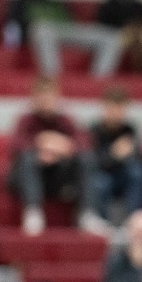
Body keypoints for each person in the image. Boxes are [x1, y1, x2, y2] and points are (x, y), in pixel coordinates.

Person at [2, 0, 120, 79]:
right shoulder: (19, 2)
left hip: (65, 31)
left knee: (111, 37)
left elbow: (71, 22)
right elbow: (13, 27)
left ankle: (98, 82)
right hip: (42, 33)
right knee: (41, 29)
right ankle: (53, 79)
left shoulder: (55, 1)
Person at [9, 77, 86, 237]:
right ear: (34, 99)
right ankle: (33, 211)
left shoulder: (65, 121)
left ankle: (87, 213)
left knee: (86, 159)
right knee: (28, 158)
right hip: (25, 178)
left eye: (49, 97)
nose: (46, 101)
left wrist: (60, 146)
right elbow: (16, 146)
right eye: (42, 97)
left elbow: (83, 142)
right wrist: (41, 144)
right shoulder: (25, 121)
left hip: (55, 177)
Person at [85, 87, 142, 223]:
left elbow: (139, 158)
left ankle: (134, 220)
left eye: (120, 109)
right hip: (102, 175)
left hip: (123, 175)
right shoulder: (94, 131)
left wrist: (129, 153)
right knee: (99, 183)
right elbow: (93, 163)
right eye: (112, 108)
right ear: (104, 108)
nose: (115, 113)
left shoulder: (129, 130)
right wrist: (114, 154)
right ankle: (101, 222)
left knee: (137, 173)